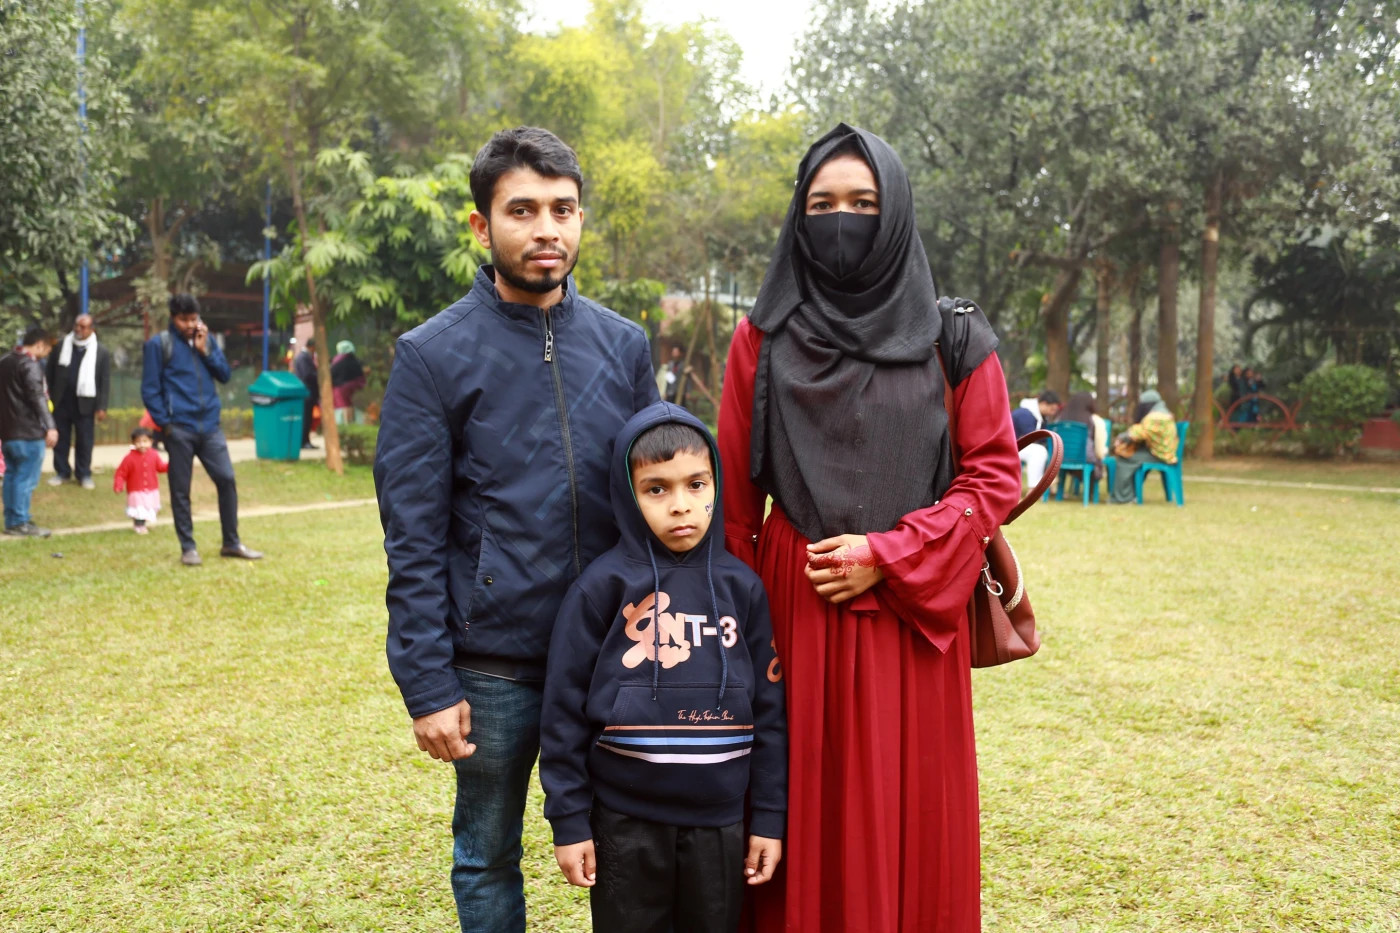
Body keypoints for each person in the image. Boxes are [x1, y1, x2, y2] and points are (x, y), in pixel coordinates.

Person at [717, 123, 1021, 932]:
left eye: (862, 202)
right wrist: (733, 642)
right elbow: (736, 508)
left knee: (906, 809)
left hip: (908, 617)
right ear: (798, 215)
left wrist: (888, 554)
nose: (841, 220)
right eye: (821, 205)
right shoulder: (760, 338)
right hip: (793, 612)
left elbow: (993, 472)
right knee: (795, 806)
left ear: (896, 214)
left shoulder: (953, 336)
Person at [373, 125, 660, 933]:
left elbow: (658, 495)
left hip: (615, 653)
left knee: (632, 841)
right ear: (482, 225)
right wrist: (428, 683)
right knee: (487, 851)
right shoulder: (432, 355)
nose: (546, 229)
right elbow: (413, 535)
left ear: (581, 218)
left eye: (563, 209)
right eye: (523, 210)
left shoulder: (624, 346)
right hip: (493, 665)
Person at [540, 405, 786, 933]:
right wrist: (569, 820)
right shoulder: (601, 588)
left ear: (716, 485)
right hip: (623, 820)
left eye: (696, 485)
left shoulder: (743, 588)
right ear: (628, 495)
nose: (680, 505)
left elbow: (769, 714)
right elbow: (561, 713)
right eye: (657, 489)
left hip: (721, 821)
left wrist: (768, 816)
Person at [141, 293, 263, 565]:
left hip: (210, 426)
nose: (189, 324)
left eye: (193, 319)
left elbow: (225, 375)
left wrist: (205, 350)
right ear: (173, 317)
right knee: (181, 490)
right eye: (184, 319)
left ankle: (231, 543)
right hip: (179, 428)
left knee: (227, 479)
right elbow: (150, 389)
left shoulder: (206, 340)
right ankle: (188, 548)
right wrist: (166, 424)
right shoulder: (159, 345)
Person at [1, 326, 59, 537]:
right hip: (28, 432)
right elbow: (37, 397)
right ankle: (20, 521)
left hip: (8, 432)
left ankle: (12, 520)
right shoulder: (30, 365)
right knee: (25, 478)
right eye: (48, 348)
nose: (48, 353)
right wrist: (50, 426)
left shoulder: (5, 361)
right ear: (40, 345)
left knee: (12, 476)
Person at [45, 313, 111, 489]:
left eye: (83, 327)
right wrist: (48, 396)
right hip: (61, 402)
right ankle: (62, 472)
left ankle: (84, 474)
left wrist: (102, 407)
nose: (78, 329)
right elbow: (49, 373)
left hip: (86, 404)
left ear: (92, 329)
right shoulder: (61, 346)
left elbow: (104, 381)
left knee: (85, 441)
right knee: (61, 439)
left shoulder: (101, 352)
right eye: (76, 325)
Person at [1108, 388, 1180, 504]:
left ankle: (1123, 498)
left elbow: (1137, 433)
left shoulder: (1155, 417)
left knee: (1124, 458)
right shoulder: (1164, 413)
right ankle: (1133, 494)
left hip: (1159, 455)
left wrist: (1121, 437)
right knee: (1135, 455)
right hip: (1163, 452)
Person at [113, 426, 168, 534]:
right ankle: (139, 525)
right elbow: (121, 473)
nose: (142, 444)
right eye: (138, 442)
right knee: (138, 509)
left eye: (145, 441)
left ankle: (143, 524)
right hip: (136, 490)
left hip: (151, 489)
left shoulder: (154, 454)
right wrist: (118, 485)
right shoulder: (129, 458)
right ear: (133, 443)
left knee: (148, 507)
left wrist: (171, 466)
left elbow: (160, 467)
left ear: (151, 442)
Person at [1011, 389, 1061, 488]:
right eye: (1052, 409)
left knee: (1044, 450)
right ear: (1044, 404)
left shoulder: (1041, 417)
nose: (1053, 413)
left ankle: (1041, 484)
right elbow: (1031, 438)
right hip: (1010, 447)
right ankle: (1034, 488)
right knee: (1039, 451)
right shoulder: (1024, 414)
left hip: (1020, 446)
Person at [1057, 391, 1108, 475]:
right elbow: (1099, 451)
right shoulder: (1094, 420)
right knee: (1096, 463)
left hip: (1060, 457)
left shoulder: (1060, 418)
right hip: (1085, 458)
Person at [329, 340, 367, 425]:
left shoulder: (339, 360)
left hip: (341, 386)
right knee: (349, 404)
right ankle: (351, 422)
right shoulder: (354, 359)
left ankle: (346, 423)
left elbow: (332, 373)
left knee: (344, 405)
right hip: (354, 385)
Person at [293, 338, 319, 449]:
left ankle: (306, 441)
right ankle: (304, 442)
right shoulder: (304, 357)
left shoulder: (305, 357)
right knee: (306, 418)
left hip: (307, 392)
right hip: (306, 392)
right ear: (312, 347)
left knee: (307, 418)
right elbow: (307, 375)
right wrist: (320, 376)